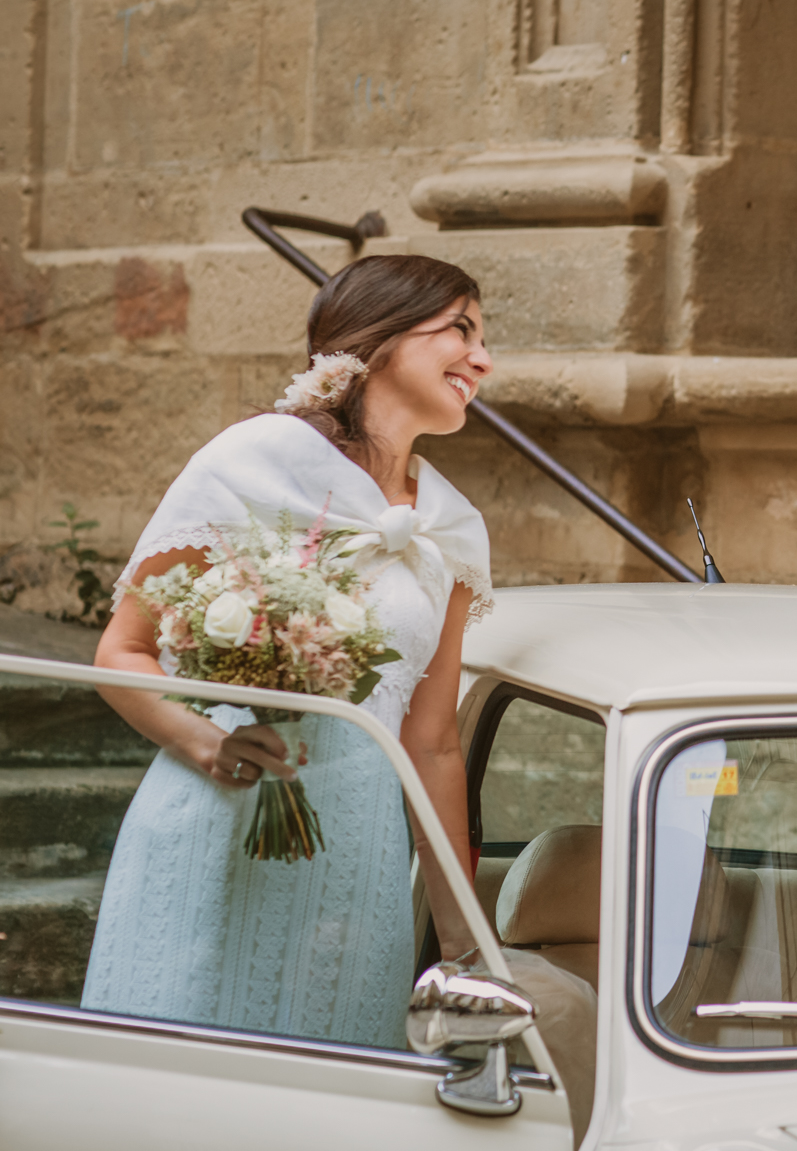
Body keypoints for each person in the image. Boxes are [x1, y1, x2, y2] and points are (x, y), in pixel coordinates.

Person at [84, 254, 495, 1049]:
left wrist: (464, 945)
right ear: (377, 343)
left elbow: (433, 742)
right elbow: (123, 650)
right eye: (461, 331)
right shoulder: (252, 462)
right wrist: (208, 741)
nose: (483, 358)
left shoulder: (451, 526)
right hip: (217, 828)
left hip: (355, 865)